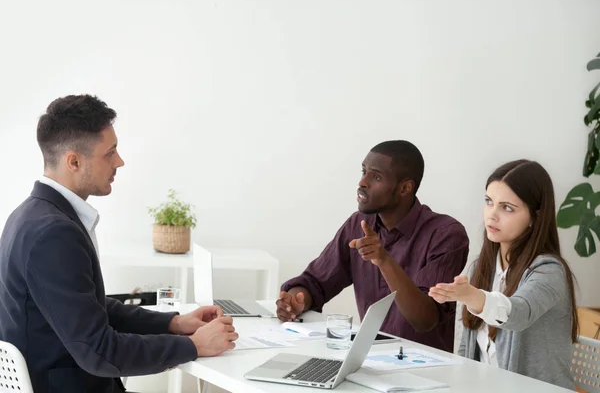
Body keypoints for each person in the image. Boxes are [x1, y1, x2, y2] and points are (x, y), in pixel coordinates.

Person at [0, 95, 239, 393]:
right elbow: (99, 350)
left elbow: (91, 308)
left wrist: (174, 324)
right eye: (109, 153)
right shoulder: (54, 233)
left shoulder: (28, 216)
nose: (120, 161)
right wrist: (193, 346)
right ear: (74, 161)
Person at [277, 140, 469, 352]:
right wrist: (296, 302)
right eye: (363, 171)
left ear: (405, 188)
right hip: (369, 361)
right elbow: (316, 282)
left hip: (428, 370)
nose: (362, 182)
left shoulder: (446, 234)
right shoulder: (358, 224)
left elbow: (424, 319)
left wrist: (384, 260)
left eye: (375, 176)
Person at [428, 160, 578, 389]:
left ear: (535, 217)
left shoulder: (549, 271)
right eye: (489, 202)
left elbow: (518, 313)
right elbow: (465, 352)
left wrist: (472, 296)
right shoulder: (481, 267)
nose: (492, 215)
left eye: (507, 207)